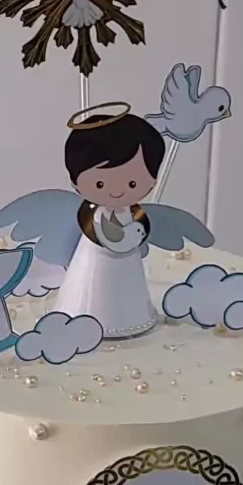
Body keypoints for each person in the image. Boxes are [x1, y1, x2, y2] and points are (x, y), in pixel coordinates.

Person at [54, 108, 166, 338]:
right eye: (100, 184)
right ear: (75, 182)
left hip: (131, 284)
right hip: (80, 299)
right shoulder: (91, 218)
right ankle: (85, 315)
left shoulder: (135, 216)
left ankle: (133, 319)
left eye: (132, 183)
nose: (116, 191)